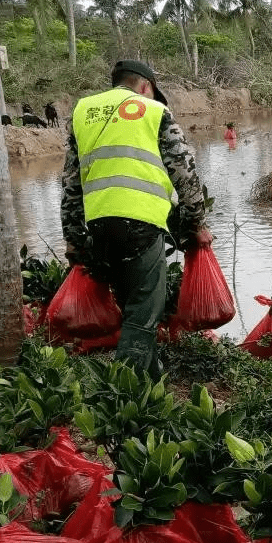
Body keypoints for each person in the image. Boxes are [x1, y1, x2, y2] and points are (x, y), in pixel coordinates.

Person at [60, 59, 209, 379]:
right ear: (145, 86)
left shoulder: (82, 111)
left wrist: (73, 237)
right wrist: (196, 224)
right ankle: (122, 398)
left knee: (131, 307)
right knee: (144, 311)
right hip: (141, 225)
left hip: (98, 225)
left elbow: (71, 181)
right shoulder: (154, 112)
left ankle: (151, 379)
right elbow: (185, 173)